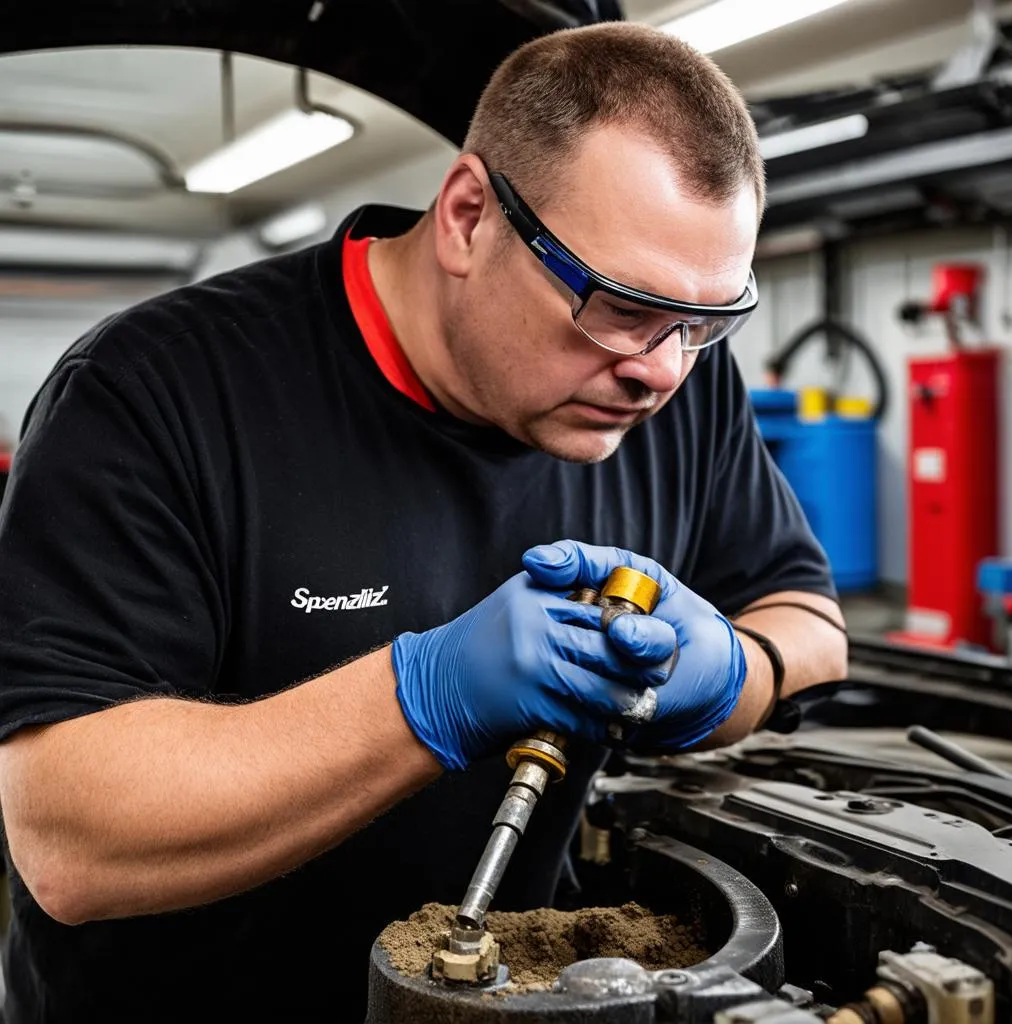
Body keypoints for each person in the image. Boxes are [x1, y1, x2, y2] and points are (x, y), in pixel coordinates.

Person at [0, 21, 847, 1023]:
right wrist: (423, 698)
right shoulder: (161, 393)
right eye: (618, 305)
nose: (660, 370)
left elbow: (809, 622)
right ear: (466, 216)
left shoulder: (681, 385)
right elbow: (68, 836)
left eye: (706, 321)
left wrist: (729, 677)